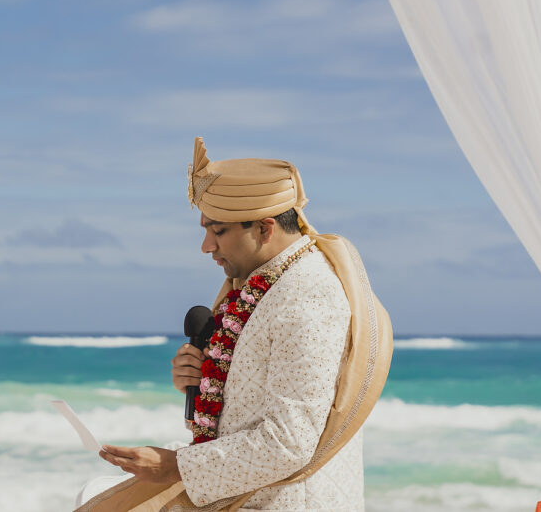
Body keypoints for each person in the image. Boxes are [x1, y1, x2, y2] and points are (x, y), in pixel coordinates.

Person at [87, 138, 391, 512]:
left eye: (218, 231)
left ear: (264, 228)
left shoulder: (306, 294)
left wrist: (174, 466)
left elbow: (288, 443)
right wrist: (201, 382)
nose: (206, 246)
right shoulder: (267, 282)